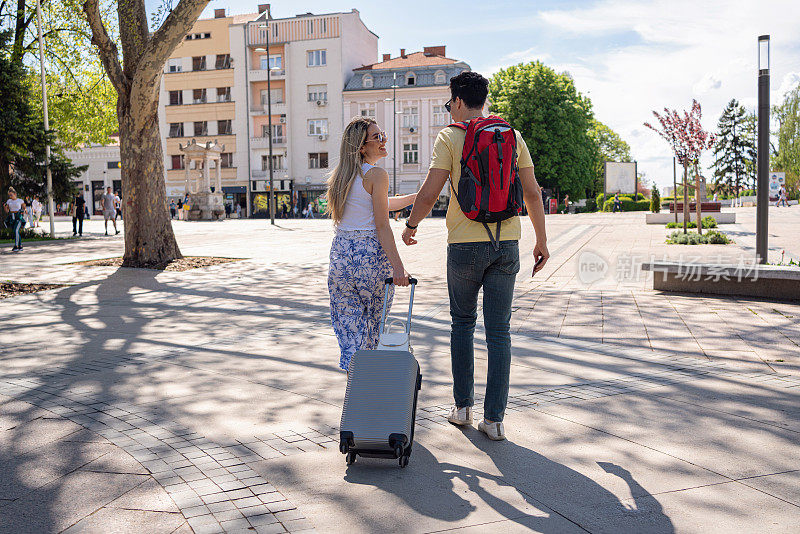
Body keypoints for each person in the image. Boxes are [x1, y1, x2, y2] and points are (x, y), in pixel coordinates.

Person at [401, 71, 549, 441]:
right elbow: (531, 193)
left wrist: (411, 225)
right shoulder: (512, 136)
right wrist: (541, 241)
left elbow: (431, 189)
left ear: (457, 101)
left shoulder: (450, 136)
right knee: (500, 332)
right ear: (483, 100)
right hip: (508, 242)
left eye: (450, 102)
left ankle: (463, 408)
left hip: (465, 244)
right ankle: (495, 419)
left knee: (462, 324)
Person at [327, 117, 417, 372]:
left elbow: (377, 204)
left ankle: (355, 390)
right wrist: (399, 268)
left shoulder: (342, 176)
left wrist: (417, 197)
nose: (383, 140)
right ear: (361, 147)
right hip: (370, 260)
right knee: (373, 329)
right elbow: (381, 225)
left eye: (382, 134)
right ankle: (368, 394)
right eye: (377, 137)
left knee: (350, 333)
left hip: (341, 259)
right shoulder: (377, 174)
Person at [4, 187, 26, 252]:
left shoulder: (20, 200)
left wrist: (23, 212)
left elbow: (24, 208)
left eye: (11, 195)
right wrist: (5, 207)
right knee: (15, 231)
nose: (10, 196)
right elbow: (7, 211)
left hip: (18, 216)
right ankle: (20, 246)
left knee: (16, 230)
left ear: (15, 194)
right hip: (12, 217)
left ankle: (16, 246)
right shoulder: (9, 201)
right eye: (9, 195)